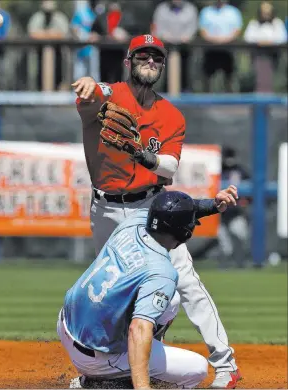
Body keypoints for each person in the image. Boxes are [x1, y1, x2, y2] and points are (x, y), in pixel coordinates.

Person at [71, 34, 242, 389]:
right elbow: (94, 93)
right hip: (105, 208)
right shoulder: (111, 95)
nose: (150, 61)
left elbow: (168, 168)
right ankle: (105, 372)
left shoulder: (170, 115)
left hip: (150, 207)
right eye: (143, 56)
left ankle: (226, 364)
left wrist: (139, 153)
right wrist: (89, 85)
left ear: (162, 66)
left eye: (156, 58)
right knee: (116, 290)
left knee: (184, 281)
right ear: (128, 61)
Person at [58, 186, 238, 389]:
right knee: (196, 369)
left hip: (66, 324)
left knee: (171, 302)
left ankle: (109, 373)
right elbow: (139, 329)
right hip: (97, 358)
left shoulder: (133, 222)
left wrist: (212, 206)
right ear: (185, 234)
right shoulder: (162, 272)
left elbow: (172, 211)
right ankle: (103, 382)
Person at [152, 0, 198, 92]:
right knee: (165, 73)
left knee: (186, 71)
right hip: (166, 47)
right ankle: (166, 92)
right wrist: (164, 35)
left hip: (185, 47)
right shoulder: (161, 9)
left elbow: (193, 27)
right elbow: (157, 26)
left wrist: (187, 36)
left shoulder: (191, 9)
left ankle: (186, 91)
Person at [199, 0, 242, 93]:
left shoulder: (234, 12)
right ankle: (207, 100)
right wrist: (215, 40)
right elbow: (202, 30)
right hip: (211, 49)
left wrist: (224, 40)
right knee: (208, 78)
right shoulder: (206, 11)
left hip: (228, 50)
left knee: (230, 78)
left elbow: (237, 30)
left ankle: (232, 101)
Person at [243, 1, 287, 92]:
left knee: (273, 79)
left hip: (274, 56)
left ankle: (271, 100)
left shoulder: (277, 23)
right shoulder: (254, 23)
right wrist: (261, 42)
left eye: (268, 12)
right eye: (264, 12)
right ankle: (259, 101)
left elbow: (282, 38)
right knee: (259, 79)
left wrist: (268, 42)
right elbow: (248, 37)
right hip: (258, 55)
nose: (266, 14)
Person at [27, 0, 69, 90]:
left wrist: (44, 34)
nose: (48, 14)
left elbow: (63, 34)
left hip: (58, 55)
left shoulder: (60, 17)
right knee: (37, 78)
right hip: (39, 55)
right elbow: (32, 34)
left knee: (59, 79)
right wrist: (50, 34)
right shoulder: (37, 17)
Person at [70, 0, 100, 81]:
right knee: (79, 76)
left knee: (94, 76)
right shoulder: (81, 12)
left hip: (94, 49)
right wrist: (85, 36)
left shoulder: (99, 12)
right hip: (81, 50)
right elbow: (74, 28)